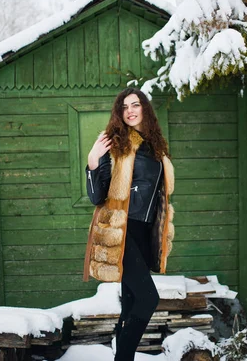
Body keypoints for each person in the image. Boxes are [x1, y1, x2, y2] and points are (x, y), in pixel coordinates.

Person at [83, 87, 175, 361]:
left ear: (145, 108)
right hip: (122, 232)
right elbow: (97, 196)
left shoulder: (156, 145)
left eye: (136, 104)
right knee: (148, 299)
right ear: (119, 113)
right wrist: (92, 160)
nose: (131, 110)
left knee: (133, 303)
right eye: (125, 107)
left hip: (145, 232)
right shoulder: (117, 143)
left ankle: (121, 354)